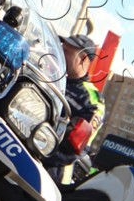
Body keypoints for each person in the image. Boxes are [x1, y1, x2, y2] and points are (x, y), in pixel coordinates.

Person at [44, 33, 105, 179]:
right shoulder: (50, 76)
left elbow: (73, 148)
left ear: (83, 59)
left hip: (53, 169)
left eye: (66, 52)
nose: (60, 54)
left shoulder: (92, 100)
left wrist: (40, 154)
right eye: (61, 49)